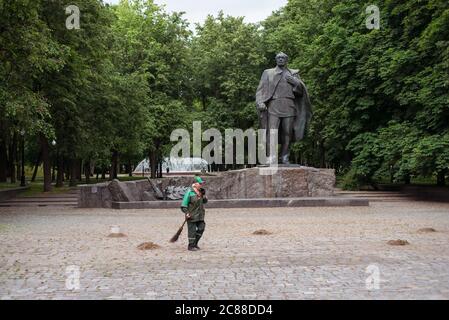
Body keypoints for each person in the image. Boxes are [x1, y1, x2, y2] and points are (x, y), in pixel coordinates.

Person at [180, 176, 207, 251]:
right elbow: (183, 205)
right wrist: (187, 212)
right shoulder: (189, 192)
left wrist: (204, 195)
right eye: (200, 183)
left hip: (200, 215)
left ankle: (195, 243)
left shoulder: (201, 191)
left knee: (202, 227)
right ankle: (191, 245)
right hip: (191, 215)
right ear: (194, 184)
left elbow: (205, 202)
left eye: (202, 183)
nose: (201, 185)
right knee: (192, 231)